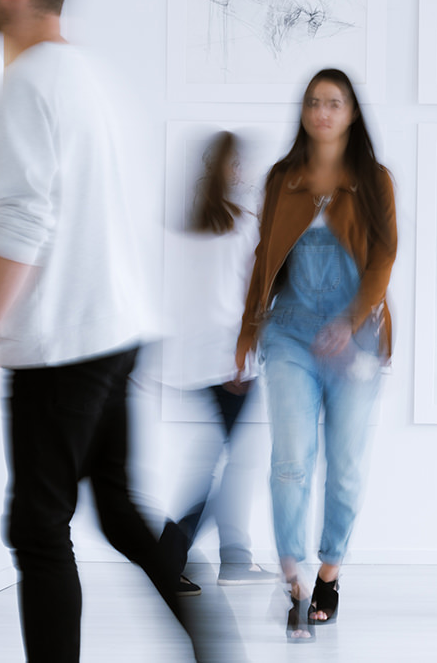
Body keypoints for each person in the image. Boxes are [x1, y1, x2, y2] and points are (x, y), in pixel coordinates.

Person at [0, 0, 222, 659]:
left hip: (63, 340)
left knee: (37, 529)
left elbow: (22, 223)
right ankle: (213, 640)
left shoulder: (26, 83)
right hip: (117, 330)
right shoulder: (94, 77)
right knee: (116, 510)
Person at [234, 68, 396, 642]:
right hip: (290, 332)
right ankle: (294, 580)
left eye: (334, 103)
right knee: (291, 461)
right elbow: (264, 254)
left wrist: (350, 321)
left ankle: (329, 572)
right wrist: (247, 329)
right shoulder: (283, 178)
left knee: (345, 466)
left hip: (354, 338)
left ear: (351, 113)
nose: (323, 112)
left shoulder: (374, 180)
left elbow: (383, 258)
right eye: (314, 103)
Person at [162, 131, 279, 595]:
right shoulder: (242, 224)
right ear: (229, 170)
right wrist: (243, 357)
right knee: (222, 464)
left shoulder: (190, 223)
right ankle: (167, 558)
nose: (244, 172)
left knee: (233, 461)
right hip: (230, 360)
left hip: (194, 359)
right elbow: (243, 298)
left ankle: (235, 556)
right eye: (239, 164)